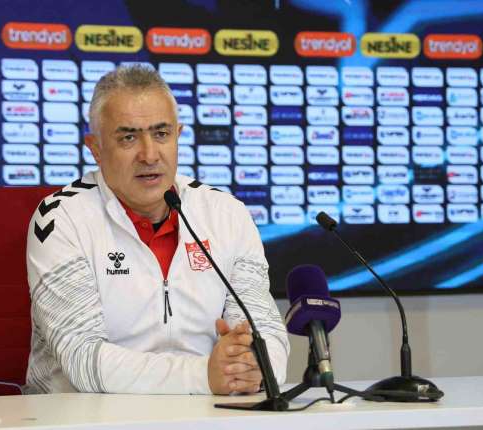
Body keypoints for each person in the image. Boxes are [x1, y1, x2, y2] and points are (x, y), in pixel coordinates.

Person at [25, 65, 289, 395]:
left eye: (161, 134)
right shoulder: (62, 218)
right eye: (128, 138)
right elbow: (82, 360)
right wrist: (203, 375)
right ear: (96, 148)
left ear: (178, 135)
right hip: (80, 414)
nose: (149, 155)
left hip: (206, 410)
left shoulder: (227, 214)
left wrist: (255, 366)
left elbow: (263, 328)